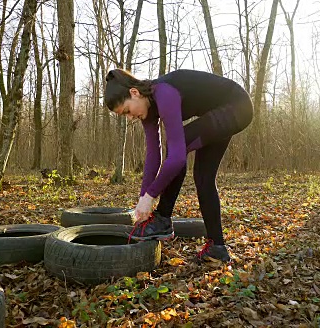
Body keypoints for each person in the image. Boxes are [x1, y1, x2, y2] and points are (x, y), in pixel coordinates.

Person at [104, 68, 253, 263]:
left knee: (178, 146)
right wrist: (143, 199)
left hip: (237, 106)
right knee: (203, 177)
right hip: (220, 111)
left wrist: (151, 196)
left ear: (134, 93)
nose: (130, 118)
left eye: (127, 111)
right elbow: (153, 157)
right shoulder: (147, 110)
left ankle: (163, 218)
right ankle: (217, 247)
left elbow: (176, 159)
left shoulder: (164, 92)